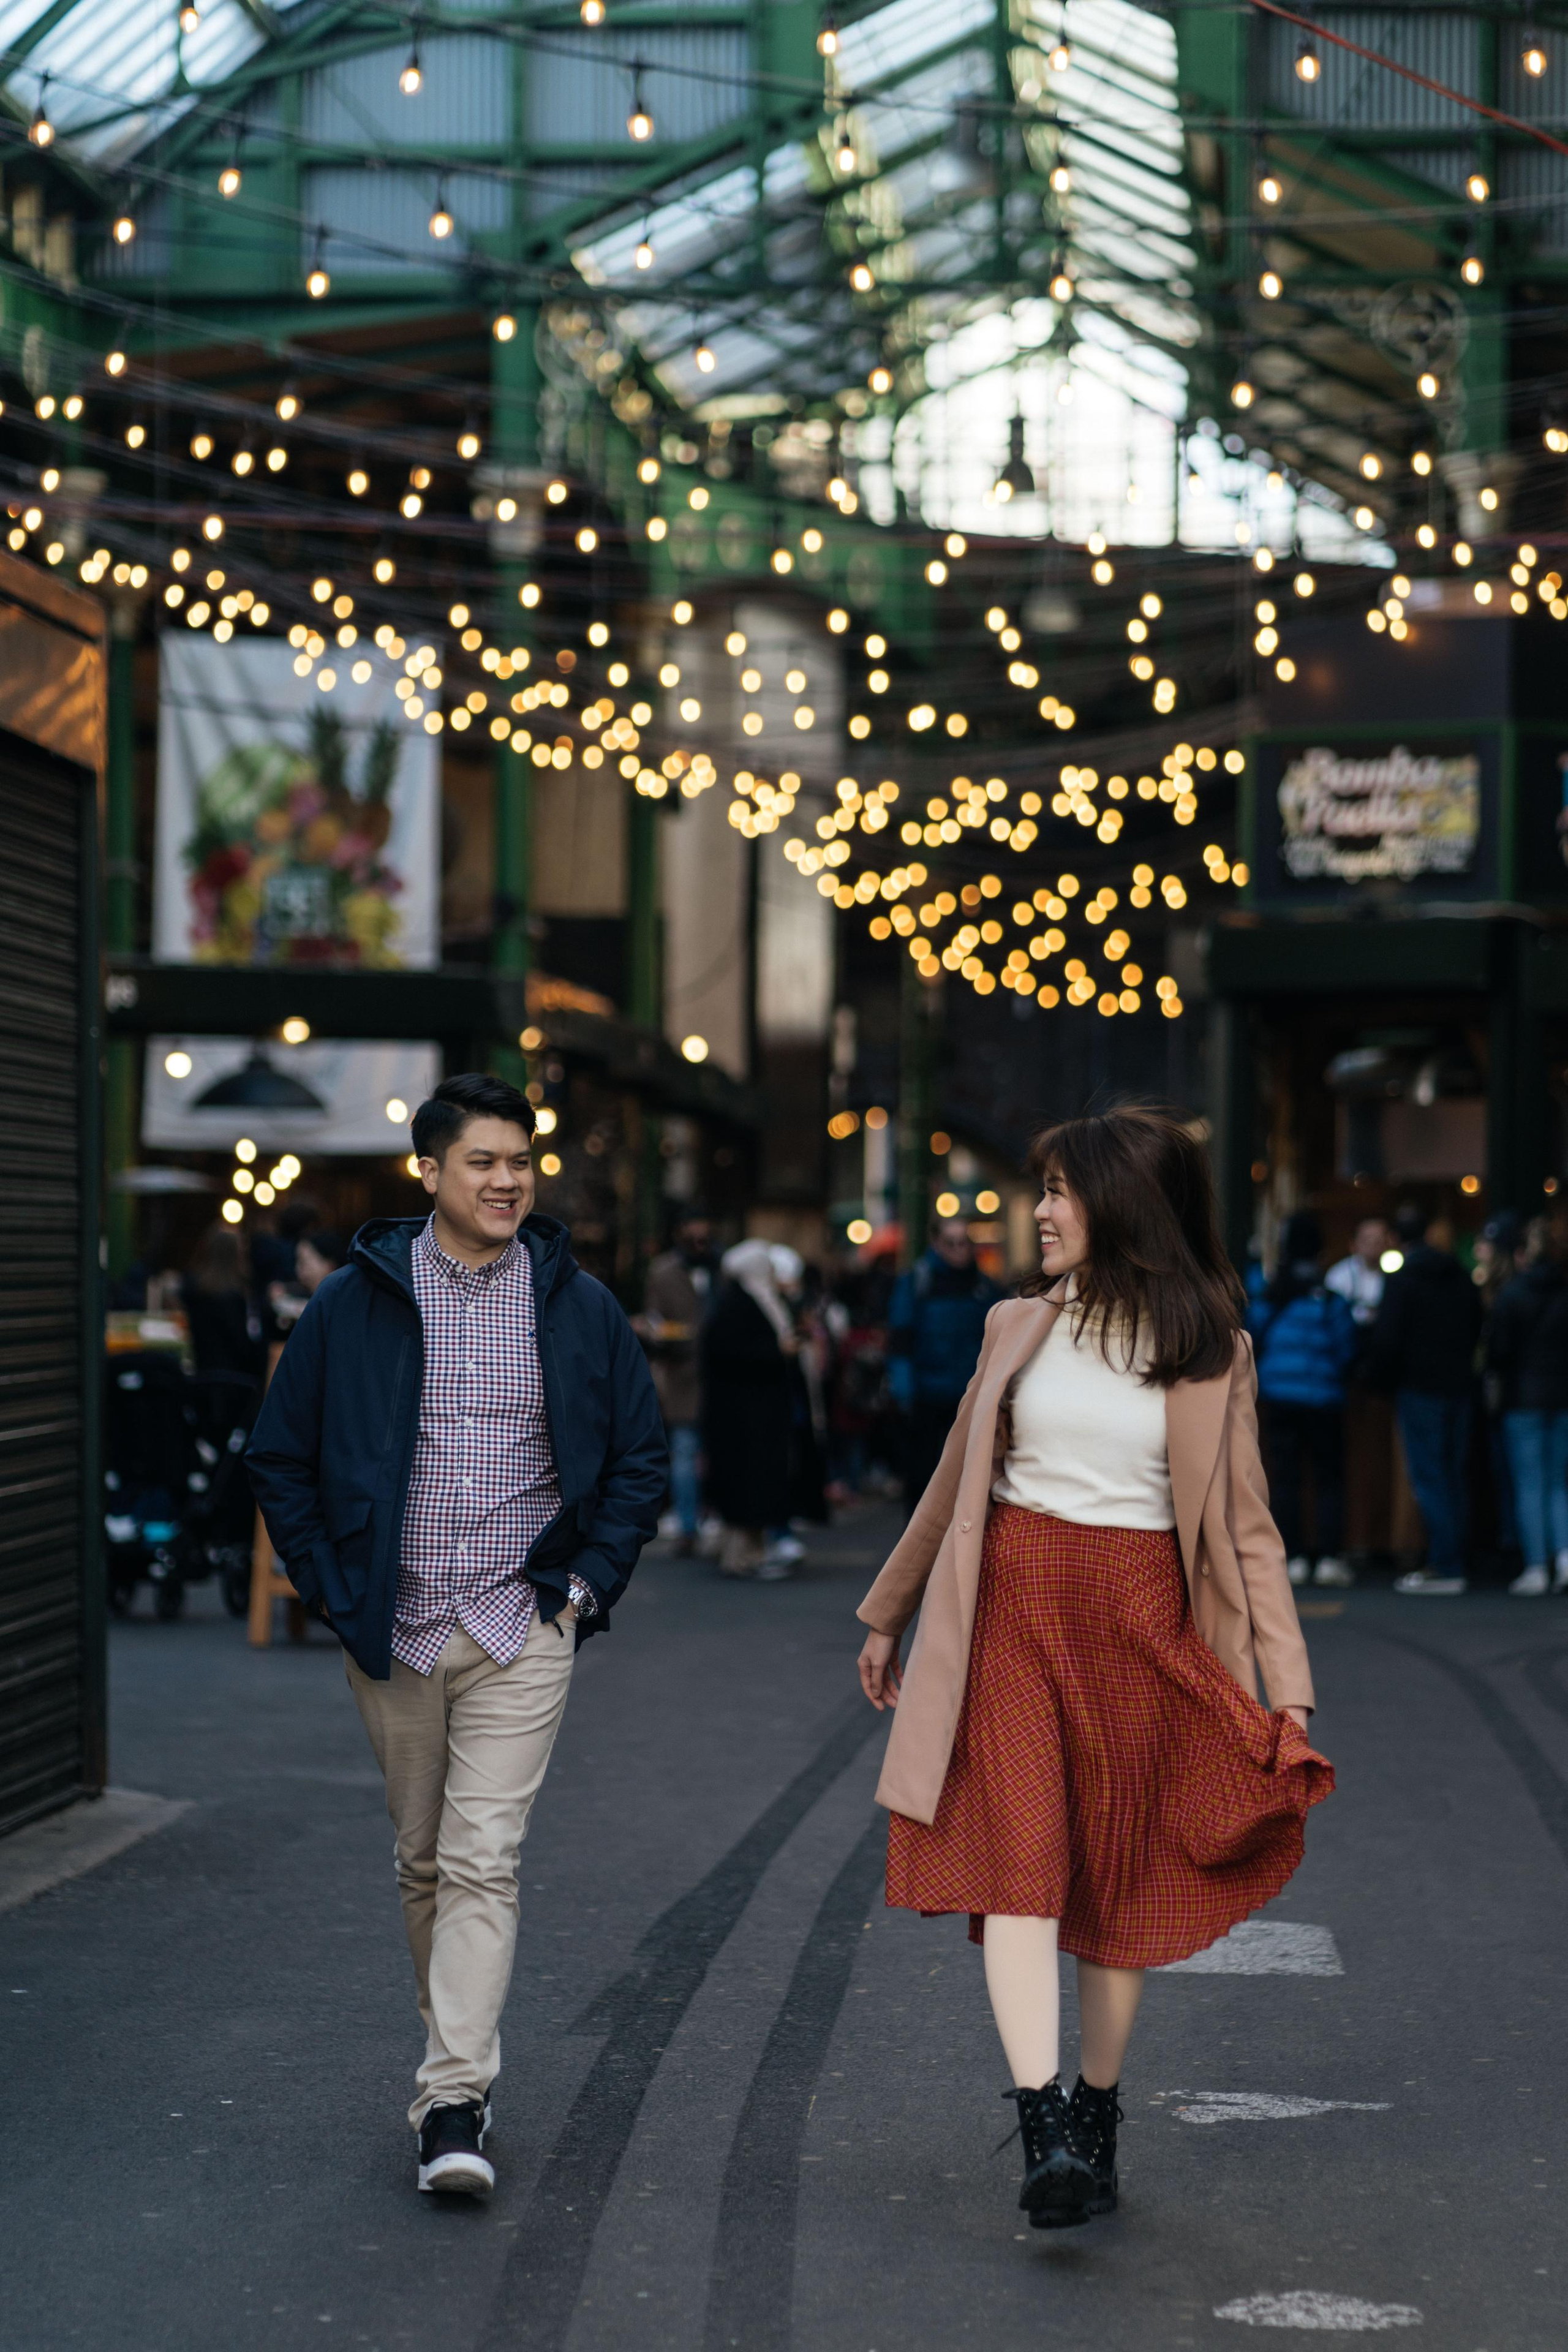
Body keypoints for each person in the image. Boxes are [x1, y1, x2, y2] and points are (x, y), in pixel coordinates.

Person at [856, 1107, 1331, 2231]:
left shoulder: (1212, 1350)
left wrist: (1289, 1691)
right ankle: (1044, 2129)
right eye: (1047, 1188)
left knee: (1119, 1881)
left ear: (1125, 1206)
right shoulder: (1016, 1325)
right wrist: (890, 1612)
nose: (1043, 1211)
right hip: (1013, 1617)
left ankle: (1097, 2110)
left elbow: (1250, 1532)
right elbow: (951, 1480)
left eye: (1063, 1190)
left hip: (1141, 1631)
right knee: (1021, 1865)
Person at [246, 1073, 666, 2199]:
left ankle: (452, 2099)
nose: (507, 1181)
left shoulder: (577, 1305)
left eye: (520, 1161)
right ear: (429, 1172)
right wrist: (333, 1588)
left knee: (485, 1858)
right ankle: (458, 2058)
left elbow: (640, 1456)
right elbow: (278, 1455)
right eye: (482, 1162)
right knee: (424, 1861)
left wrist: (585, 1586)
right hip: (395, 1627)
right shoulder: (355, 1303)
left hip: (521, 1622)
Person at [1365, 1206, 1483, 1596]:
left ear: (1397, 1239)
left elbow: (1387, 1340)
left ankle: (1447, 1565)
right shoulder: (1460, 1276)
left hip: (1419, 1387)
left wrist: (1379, 1382)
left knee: (1431, 1477)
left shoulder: (1402, 1281)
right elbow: (1476, 1326)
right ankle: (1458, 1558)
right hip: (1459, 1387)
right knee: (1454, 1475)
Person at [1248, 1212, 1360, 1588]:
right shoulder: (1330, 1299)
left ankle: (1293, 1557)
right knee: (1329, 1479)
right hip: (1325, 1400)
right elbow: (1347, 1349)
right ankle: (1328, 1557)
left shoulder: (1271, 1294)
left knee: (1285, 1479)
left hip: (1280, 1397)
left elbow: (1252, 1334)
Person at [886, 1215, 1001, 1517]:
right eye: (951, 1243)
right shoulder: (917, 1282)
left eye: (964, 1242)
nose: (959, 1249)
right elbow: (900, 1339)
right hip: (926, 1393)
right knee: (922, 1475)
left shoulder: (983, 1285)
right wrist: (904, 1391)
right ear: (937, 1244)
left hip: (967, 1394)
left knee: (968, 1475)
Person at [700, 1238, 799, 1578]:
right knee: (750, 1487)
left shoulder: (739, 1301)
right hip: (746, 1418)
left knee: (751, 1487)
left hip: (749, 1415)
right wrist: (778, 1353)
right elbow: (731, 1353)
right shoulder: (742, 1305)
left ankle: (749, 1552)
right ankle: (745, 1557)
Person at [1486, 1218, 1568, 1596]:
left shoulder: (1512, 1294)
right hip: (1562, 1396)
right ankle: (1564, 1558)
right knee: (1559, 1483)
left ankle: (1536, 1565)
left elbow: (1498, 1352)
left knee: (1530, 1484)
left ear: (1522, 1255)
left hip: (1523, 1398)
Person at [636, 1210, 715, 1555]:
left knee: (705, 1452)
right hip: (683, 1375)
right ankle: (688, 1525)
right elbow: (655, 1322)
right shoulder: (664, 1272)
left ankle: (713, 1521)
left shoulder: (721, 1268)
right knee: (684, 1450)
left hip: (718, 1374)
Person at [183, 1223, 267, 1378]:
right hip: (235, 1377)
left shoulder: (194, 1290)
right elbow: (244, 1344)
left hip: (204, 1373)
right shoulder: (238, 1297)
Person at [1324, 1215, 1389, 1328]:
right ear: (1354, 1244)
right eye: (1367, 1240)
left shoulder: (1395, 1272)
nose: (1373, 1245)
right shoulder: (1339, 1274)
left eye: (1378, 1240)